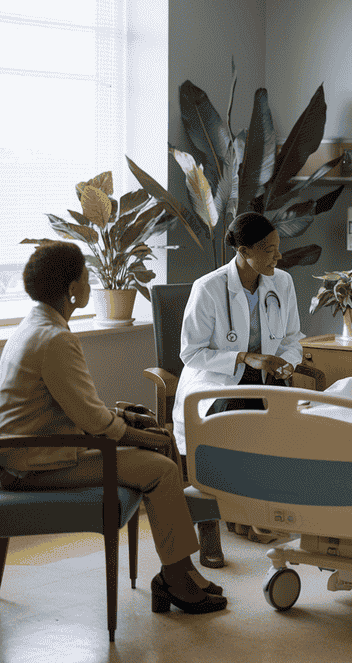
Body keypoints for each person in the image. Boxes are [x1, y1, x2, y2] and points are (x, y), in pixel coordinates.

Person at [0, 242, 226, 615]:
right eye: (87, 277)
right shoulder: (56, 339)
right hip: (34, 463)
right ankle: (176, 576)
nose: (90, 284)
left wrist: (131, 424)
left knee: (158, 449)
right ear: (72, 289)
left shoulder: (34, 326)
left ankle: (180, 570)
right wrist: (146, 436)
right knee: (162, 468)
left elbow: (77, 409)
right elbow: (94, 423)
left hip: (31, 452)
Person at [172, 212, 305, 545]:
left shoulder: (282, 282)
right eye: (269, 249)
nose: (278, 256)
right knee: (232, 420)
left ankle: (254, 513)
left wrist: (286, 364)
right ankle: (212, 524)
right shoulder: (209, 288)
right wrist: (243, 357)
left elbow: (292, 338)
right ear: (244, 251)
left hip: (267, 378)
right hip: (216, 379)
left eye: (278, 247)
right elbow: (190, 352)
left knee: (283, 424)